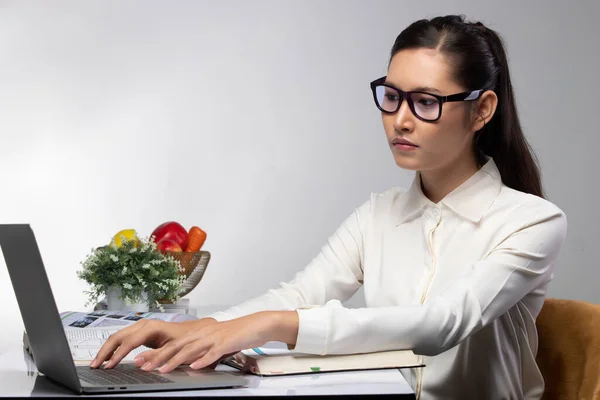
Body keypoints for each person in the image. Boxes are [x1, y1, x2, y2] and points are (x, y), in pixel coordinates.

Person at [90, 14, 567, 399]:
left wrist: (272, 325)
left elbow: (442, 324)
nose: (400, 120)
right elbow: (300, 295)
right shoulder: (378, 214)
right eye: (392, 97)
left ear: (482, 109)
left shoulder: (532, 222)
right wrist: (198, 330)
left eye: (425, 102)